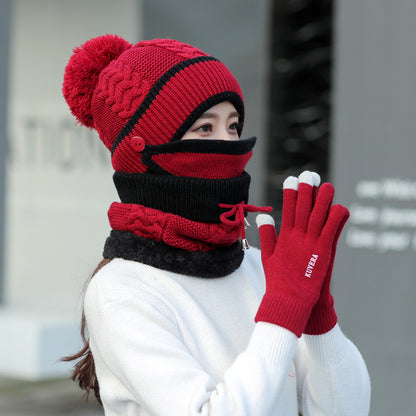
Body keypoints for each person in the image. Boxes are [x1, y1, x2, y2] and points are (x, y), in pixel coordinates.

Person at [63, 34, 371, 415]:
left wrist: (318, 315)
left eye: (233, 126)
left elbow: (346, 410)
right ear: (145, 152)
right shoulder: (121, 291)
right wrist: (283, 308)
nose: (227, 143)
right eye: (205, 129)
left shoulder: (258, 268)